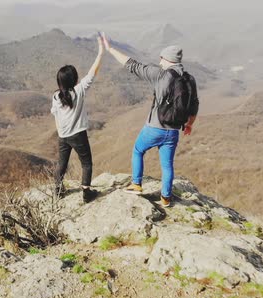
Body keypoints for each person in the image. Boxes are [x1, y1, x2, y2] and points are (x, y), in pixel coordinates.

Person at [101, 33, 199, 207]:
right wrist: (189, 124)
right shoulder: (189, 79)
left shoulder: (160, 74)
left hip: (155, 127)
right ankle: (166, 198)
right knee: (167, 166)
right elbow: (194, 105)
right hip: (174, 130)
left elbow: (132, 65)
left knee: (138, 150)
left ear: (167, 59)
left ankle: (136, 184)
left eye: (161, 58)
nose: (160, 61)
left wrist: (110, 49)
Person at [51, 35, 104, 203]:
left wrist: (61, 129)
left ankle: (58, 190)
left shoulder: (55, 97)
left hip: (63, 135)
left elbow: (55, 114)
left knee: (62, 164)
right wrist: (101, 52)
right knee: (86, 163)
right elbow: (92, 73)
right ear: (74, 80)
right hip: (78, 135)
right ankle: (87, 193)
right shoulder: (79, 91)